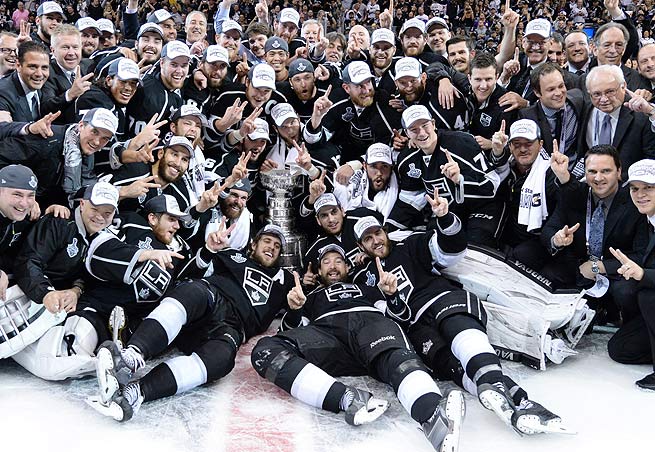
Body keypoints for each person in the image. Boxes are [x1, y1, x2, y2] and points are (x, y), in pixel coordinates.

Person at [351, 209, 570, 435]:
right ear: (360, 246)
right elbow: (396, 316)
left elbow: (452, 249)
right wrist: (392, 296)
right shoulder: (364, 279)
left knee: (462, 335)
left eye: (378, 233)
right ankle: (516, 400)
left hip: (442, 300)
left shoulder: (410, 244)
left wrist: (445, 218)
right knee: (449, 364)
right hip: (417, 326)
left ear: (385, 232)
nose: (376, 240)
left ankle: (500, 387)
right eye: (368, 238)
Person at [251, 243, 466, 451]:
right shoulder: (311, 297)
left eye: (338, 261)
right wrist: (295, 310)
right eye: (326, 262)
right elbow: (290, 332)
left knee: (397, 359)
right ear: (319, 270)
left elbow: (401, 319)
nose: (333, 265)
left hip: (370, 328)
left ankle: (432, 414)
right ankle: (347, 398)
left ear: (347, 267)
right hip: (328, 336)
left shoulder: (368, 289)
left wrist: (393, 297)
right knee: (266, 350)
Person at [88, 224, 297, 422]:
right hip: (212, 298)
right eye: (267, 241)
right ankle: (131, 357)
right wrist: (208, 250)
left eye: (277, 246)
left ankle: (137, 391)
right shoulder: (233, 255)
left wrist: (297, 306)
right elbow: (183, 275)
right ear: (254, 244)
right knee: (191, 291)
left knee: (221, 360)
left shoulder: (287, 281)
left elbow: (295, 321)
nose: (271, 247)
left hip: (233, 326)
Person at [10, 182, 119, 380]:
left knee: (53, 357)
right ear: (83, 204)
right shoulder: (59, 223)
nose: (100, 217)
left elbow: (84, 276)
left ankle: (91, 361)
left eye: (107, 213)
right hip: (21, 297)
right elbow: (28, 262)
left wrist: (76, 290)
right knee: (45, 365)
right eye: (95, 209)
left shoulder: (101, 238)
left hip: (52, 311)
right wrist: (45, 293)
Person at [607, 159, 655, 390]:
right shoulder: (645, 219)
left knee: (648, 295)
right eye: (635, 188)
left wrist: (643, 274)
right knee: (620, 349)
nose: (640, 194)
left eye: (649, 187)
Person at [0, 41, 49, 123]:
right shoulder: (3, 92)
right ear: (18, 65)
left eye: (44, 68)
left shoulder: (47, 84)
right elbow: (4, 129)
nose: (39, 74)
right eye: (33, 67)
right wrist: (29, 128)